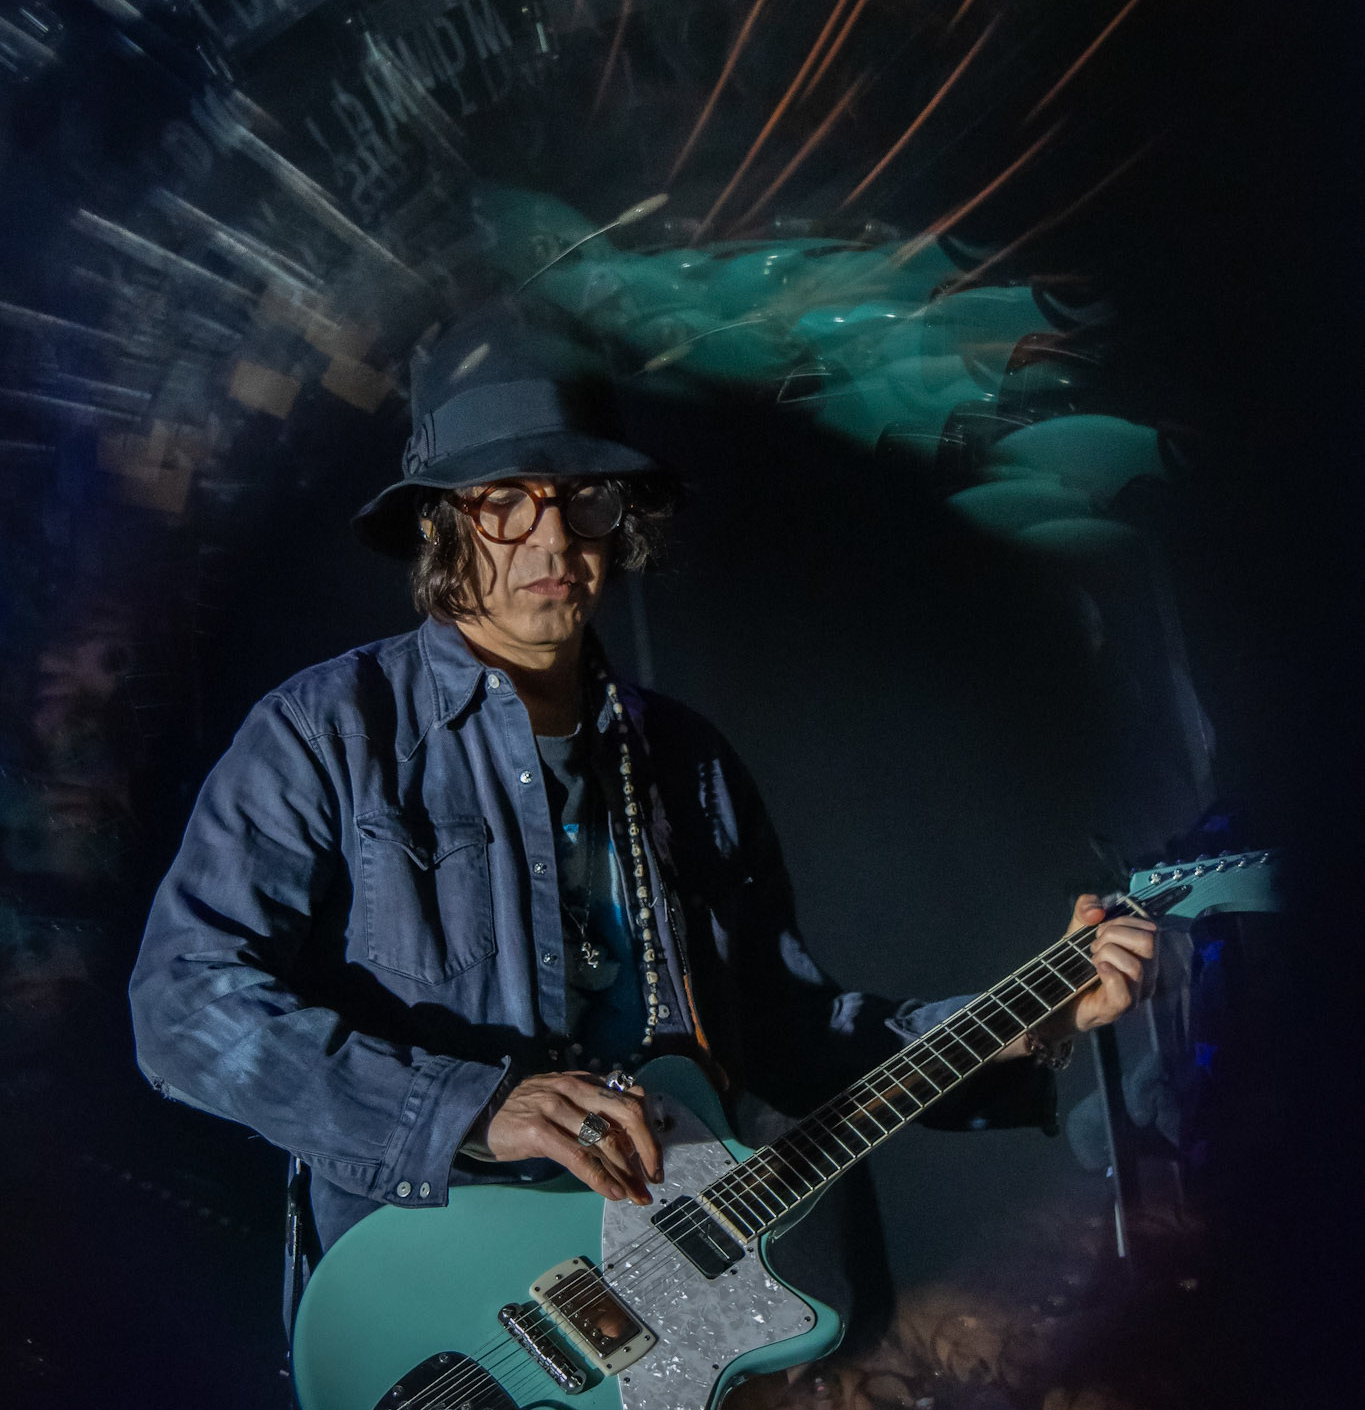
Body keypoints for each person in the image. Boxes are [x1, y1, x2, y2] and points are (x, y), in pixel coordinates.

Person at [128, 306, 1156, 1336]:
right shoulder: (326, 728)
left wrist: (1026, 1018)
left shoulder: (685, 761)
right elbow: (182, 1007)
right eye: (504, 501)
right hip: (433, 1324)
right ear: (440, 523)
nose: (551, 537)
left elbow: (791, 1042)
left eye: (585, 498)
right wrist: (472, 1107)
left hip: (659, 1316)